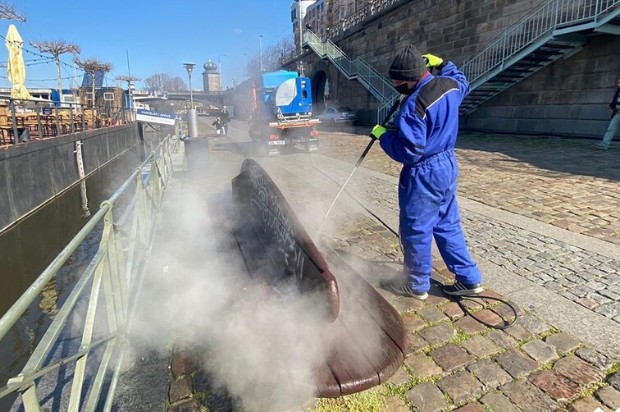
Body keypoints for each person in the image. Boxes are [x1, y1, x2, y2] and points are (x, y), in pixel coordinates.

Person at [370, 45, 483, 300]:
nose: (395, 86)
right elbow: (463, 81)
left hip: (424, 173)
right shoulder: (449, 86)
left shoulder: (413, 105)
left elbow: (409, 152)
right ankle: (469, 279)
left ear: (410, 79)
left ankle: (416, 284)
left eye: (397, 82)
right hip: (447, 165)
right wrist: (443, 64)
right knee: (448, 224)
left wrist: (384, 136)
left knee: (416, 229)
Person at [595, 77, 620, 150]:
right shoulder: (618, 92)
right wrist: (612, 106)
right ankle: (604, 144)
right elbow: (614, 101)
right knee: (611, 129)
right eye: (618, 83)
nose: (619, 84)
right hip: (617, 113)